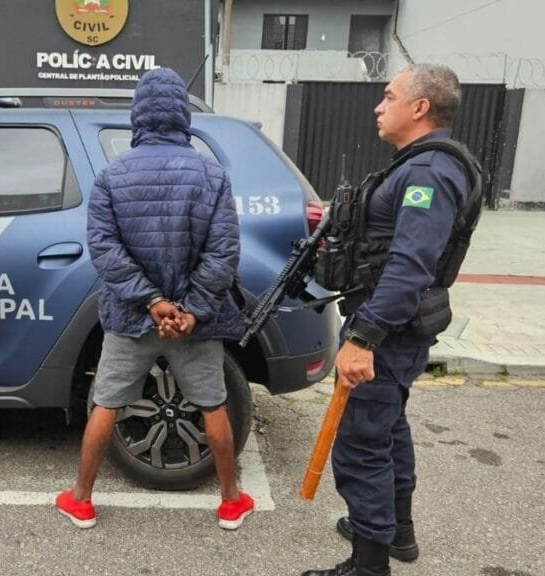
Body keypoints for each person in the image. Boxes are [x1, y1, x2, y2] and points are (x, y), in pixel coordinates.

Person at [55, 67, 254, 530]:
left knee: (106, 402)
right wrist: (190, 311)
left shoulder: (112, 176)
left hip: (131, 319)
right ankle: (229, 502)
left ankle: (81, 499)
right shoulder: (212, 175)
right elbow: (223, 251)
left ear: (138, 115)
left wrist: (151, 302)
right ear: (183, 117)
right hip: (195, 324)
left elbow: (104, 249)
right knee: (213, 404)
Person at [303, 64, 476, 576]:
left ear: (419, 107)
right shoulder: (420, 165)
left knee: (361, 445)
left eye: (389, 96)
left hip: (387, 332)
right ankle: (393, 531)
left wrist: (361, 338)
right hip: (395, 329)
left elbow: (409, 266)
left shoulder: (428, 173)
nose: (379, 107)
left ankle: (369, 563)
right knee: (388, 431)